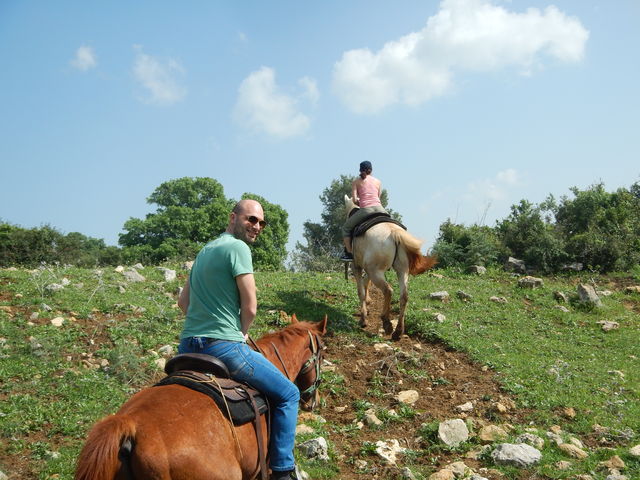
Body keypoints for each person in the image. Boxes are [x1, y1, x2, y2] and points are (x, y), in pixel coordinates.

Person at [177, 199, 300, 480]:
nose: (256, 226)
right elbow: (251, 306)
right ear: (233, 218)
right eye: (250, 219)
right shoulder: (238, 248)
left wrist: (203, 322)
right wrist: (241, 332)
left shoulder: (205, 250)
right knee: (289, 394)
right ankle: (282, 470)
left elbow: (183, 302)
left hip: (187, 344)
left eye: (261, 222)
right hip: (224, 347)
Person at [340, 161, 388, 261]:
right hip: (381, 209)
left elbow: (353, 200)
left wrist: (359, 202)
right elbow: (378, 197)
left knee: (345, 228)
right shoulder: (378, 182)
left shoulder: (356, 182)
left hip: (366, 209)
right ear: (371, 170)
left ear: (360, 170)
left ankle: (349, 254)